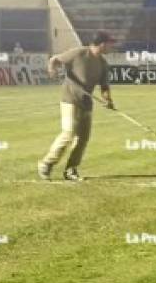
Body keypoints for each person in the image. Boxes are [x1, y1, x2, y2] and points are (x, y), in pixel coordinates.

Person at [38, 31, 116, 182]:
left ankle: (71, 169)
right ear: (102, 44)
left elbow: (104, 86)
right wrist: (52, 70)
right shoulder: (78, 53)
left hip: (86, 103)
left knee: (82, 139)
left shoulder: (103, 63)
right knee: (68, 133)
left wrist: (108, 100)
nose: (111, 47)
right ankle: (46, 164)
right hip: (70, 99)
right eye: (110, 44)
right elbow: (55, 60)